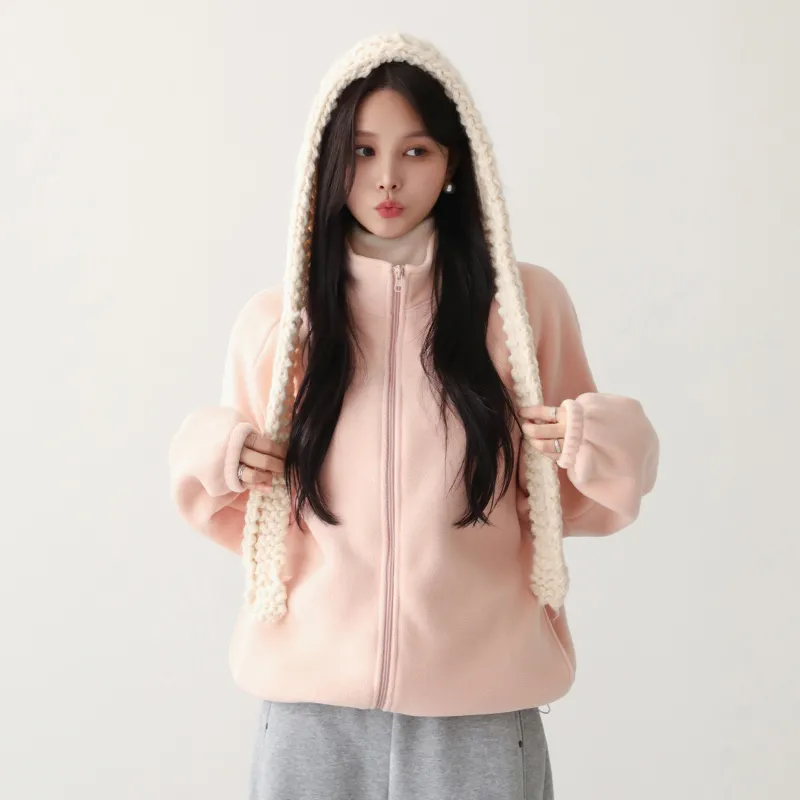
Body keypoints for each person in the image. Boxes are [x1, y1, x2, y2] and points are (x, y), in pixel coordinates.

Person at [168, 32, 659, 800]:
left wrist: (600, 441)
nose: (387, 177)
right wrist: (215, 453)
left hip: (480, 713)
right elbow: (241, 521)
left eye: (416, 151)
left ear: (454, 161)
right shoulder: (279, 324)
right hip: (311, 717)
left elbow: (574, 505)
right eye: (362, 151)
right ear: (328, 161)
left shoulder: (523, 309)